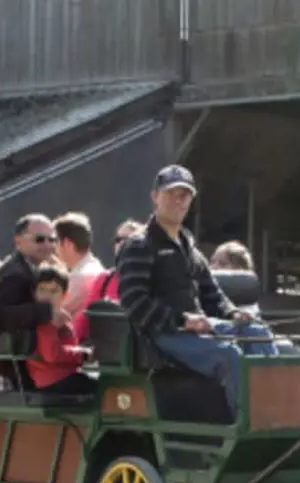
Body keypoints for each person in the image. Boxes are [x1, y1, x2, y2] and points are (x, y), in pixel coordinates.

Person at [116, 164, 278, 416]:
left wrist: (233, 314)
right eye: (171, 194)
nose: (178, 201)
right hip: (162, 335)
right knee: (228, 356)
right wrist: (182, 320)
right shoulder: (139, 245)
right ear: (155, 196)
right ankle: (252, 420)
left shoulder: (189, 248)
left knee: (258, 332)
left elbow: (212, 294)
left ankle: (276, 409)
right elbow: (134, 302)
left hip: (197, 329)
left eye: (185, 195)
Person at [0, 214, 65, 388]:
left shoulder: (29, 268)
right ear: (18, 241)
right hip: (21, 373)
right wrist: (46, 312)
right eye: (39, 239)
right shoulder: (14, 275)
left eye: (52, 239)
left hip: (30, 365)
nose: (48, 245)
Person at [27, 263, 95, 396]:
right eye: (42, 290)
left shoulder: (61, 316)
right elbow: (52, 354)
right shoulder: (43, 321)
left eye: (54, 291)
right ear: (34, 293)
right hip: (52, 380)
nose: (47, 295)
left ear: (64, 295)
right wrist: (83, 354)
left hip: (67, 375)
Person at [53, 212, 104, 315]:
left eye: (55, 241)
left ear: (67, 244)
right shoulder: (96, 268)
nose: (53, 248)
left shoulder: (79, 277)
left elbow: (54, 315)